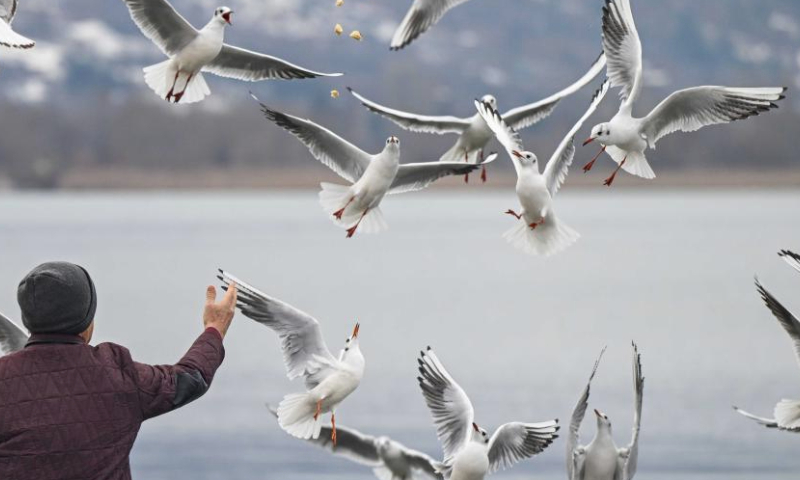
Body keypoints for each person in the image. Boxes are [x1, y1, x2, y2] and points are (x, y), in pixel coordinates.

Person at [0, 261, 237, 480]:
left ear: (28, 318)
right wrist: (214, 329)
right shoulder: (117, 371)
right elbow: (190, 379)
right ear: (87, 321)